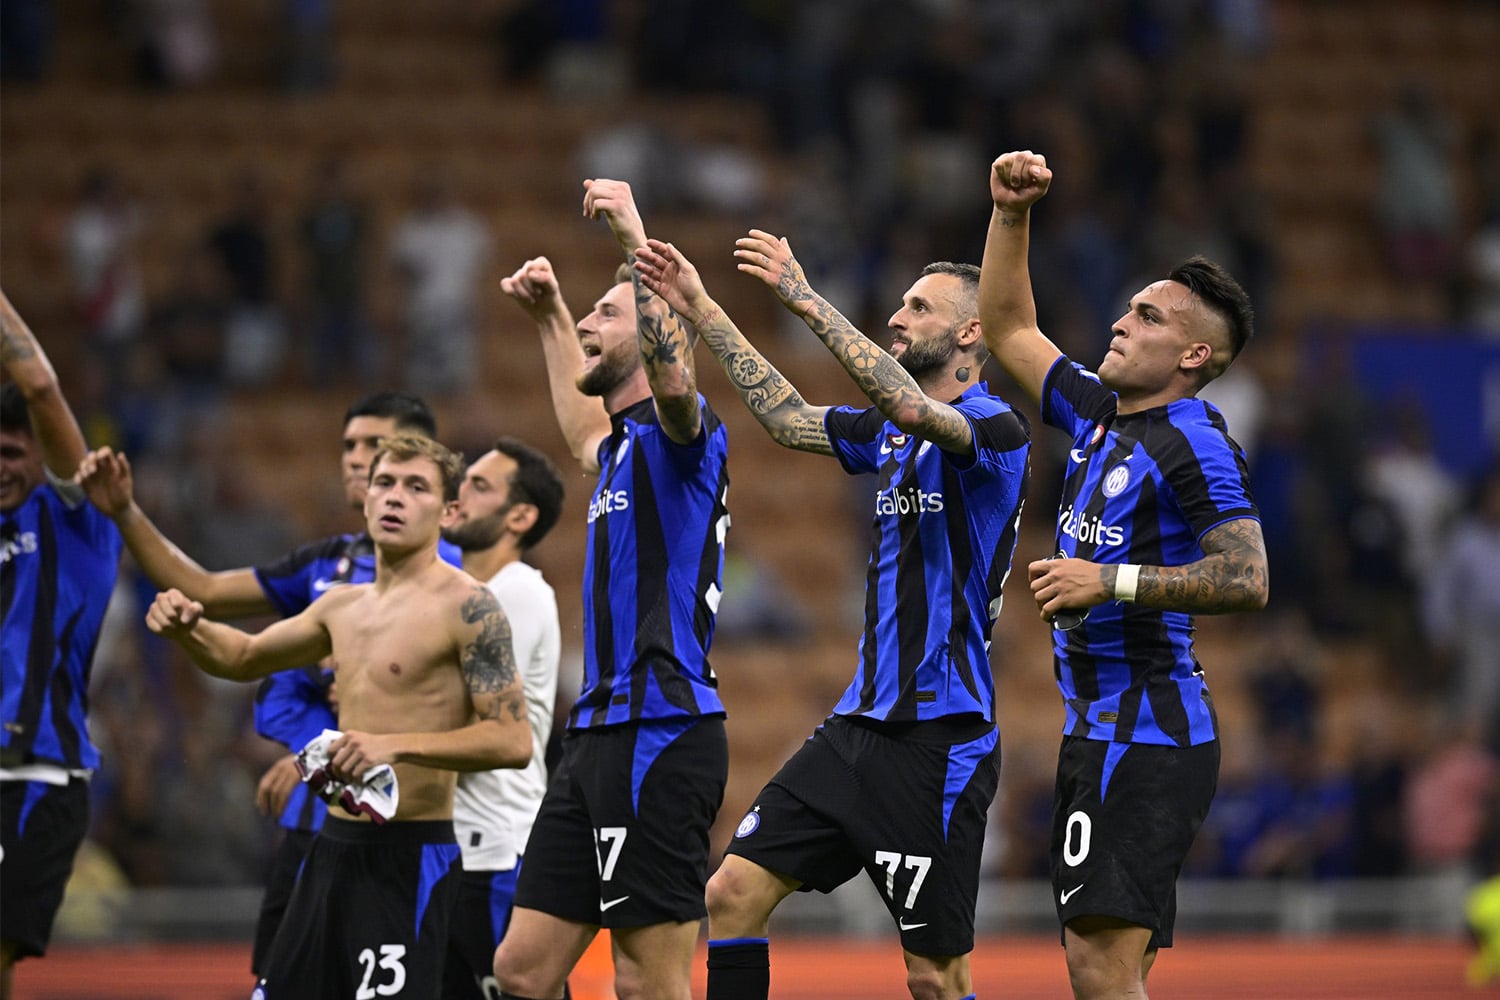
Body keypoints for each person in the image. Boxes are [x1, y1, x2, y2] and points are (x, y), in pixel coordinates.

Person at [636, 233, 1032, 1000]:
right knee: (732, 893)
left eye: (919, 307)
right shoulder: (891, 433)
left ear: (971, 332)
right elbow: (788, 418)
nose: (898, 317)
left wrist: (805, 298)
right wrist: (702, 308)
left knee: (935, 977)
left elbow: (910, 404)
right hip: (857, 726)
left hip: (938, 738)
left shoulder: (996, 431)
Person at [978, 149, 1268, 1000]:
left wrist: (1112, 582)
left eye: (1147, 316)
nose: (1120, 321)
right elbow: (1008, 329)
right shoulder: (1098, 413)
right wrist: (1011, 214)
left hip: (1149, 736)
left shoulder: (1195, 441)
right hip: (1101, 731)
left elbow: (1247, 576)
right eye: (1129, 307)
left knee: (1099, 969)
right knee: (1115, 971)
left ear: (1193, 355)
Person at [77, 389, 456, 980]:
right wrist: (127, 513)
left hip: (406, 837)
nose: (357, 459)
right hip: (315, 827)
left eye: (375, 445)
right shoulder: (328, 571)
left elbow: (464, 709)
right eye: (349, 446)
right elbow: (213, 604)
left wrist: (326, 748)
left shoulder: (456, 577)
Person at [145, 434, 532, 999]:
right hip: (329, 850)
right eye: (385, 483)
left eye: (416, 487)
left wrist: (395, 744)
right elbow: (243, 657)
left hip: (409, 855)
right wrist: (188, 628)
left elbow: (512, 741)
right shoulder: (340, 605)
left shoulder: (470, 607)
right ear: (366, 499)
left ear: (449, 512)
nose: (395, 497)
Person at [490, 178, 730, 1000]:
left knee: (646, 983)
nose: (592, 323)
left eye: (607, 313)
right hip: (594, 733)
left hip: (659, 731)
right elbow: (582, 431)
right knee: (522, 971)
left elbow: (674, 384)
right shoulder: (622, 450)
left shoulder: (685, 437)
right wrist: (552, 318)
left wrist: (634, 236)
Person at [0, 290, 124, 998]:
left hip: (33, 772)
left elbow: (41, 389)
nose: (1, 468)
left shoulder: (76, 516)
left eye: (13, 452)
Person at [440, 437, 566, 999]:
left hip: (496, 847)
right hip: (455, 847)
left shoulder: (516, 591)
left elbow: (453, 711)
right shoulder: (467, 595)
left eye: (479, 486)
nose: (458, 494)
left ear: (520, 516)